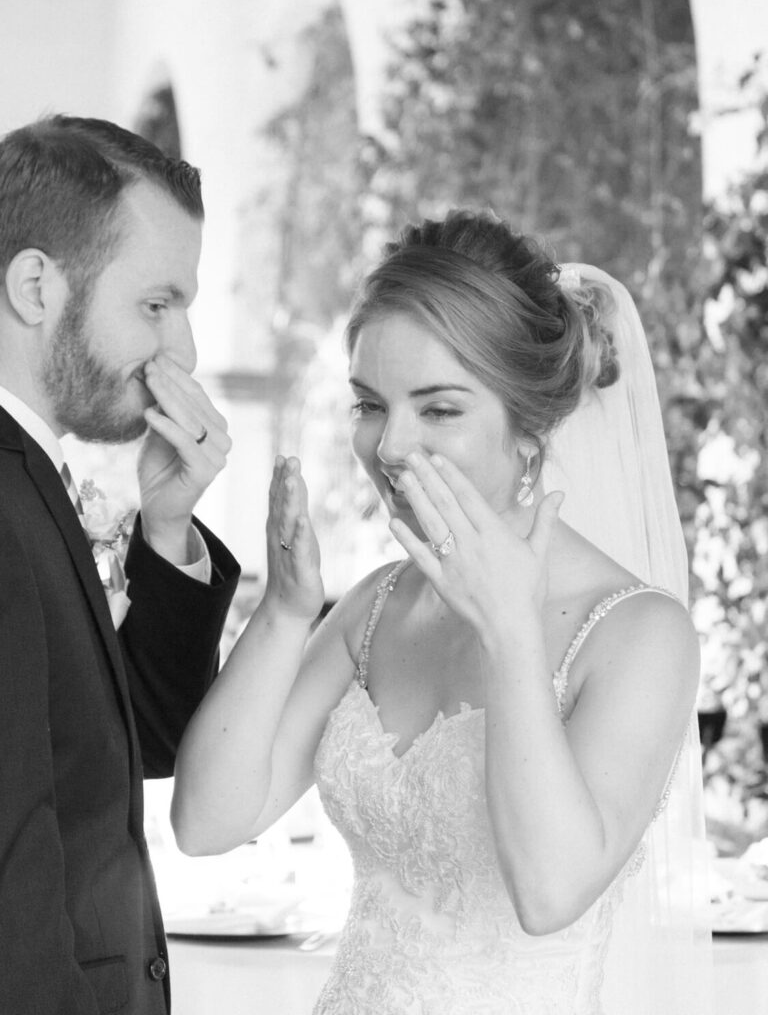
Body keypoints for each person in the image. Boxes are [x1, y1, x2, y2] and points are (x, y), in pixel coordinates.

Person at [171, 210, 711, 1013]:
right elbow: (207, 823)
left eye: (439, 409)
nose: (389, 448)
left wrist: (511, 633)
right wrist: (286, 614)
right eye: (369, 405)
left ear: (531, 428)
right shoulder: (378, 603)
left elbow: (550, 892)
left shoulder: (639, 634)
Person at [0, 115, 239, 1015]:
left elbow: (140, 740)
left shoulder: (32, 478)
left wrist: (167, 525)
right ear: (35, 286)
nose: (182, 351)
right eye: (156, 304)